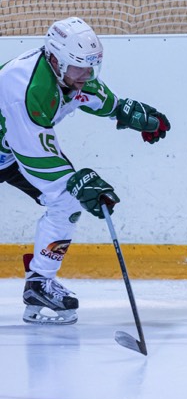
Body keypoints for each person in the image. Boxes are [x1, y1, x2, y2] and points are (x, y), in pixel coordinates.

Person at [0, 16, 170, 325]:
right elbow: (37, 156)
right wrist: (76, 180)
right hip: (17, 146)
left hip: (8, 151)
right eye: (81, 68)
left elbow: (93, 95)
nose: (87, 74)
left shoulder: (69, 72)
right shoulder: (26, 89)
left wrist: (124, 111)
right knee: (67, 190)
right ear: (55, 59)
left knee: (66, 200)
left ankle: (40, 283)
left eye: (92, 66)